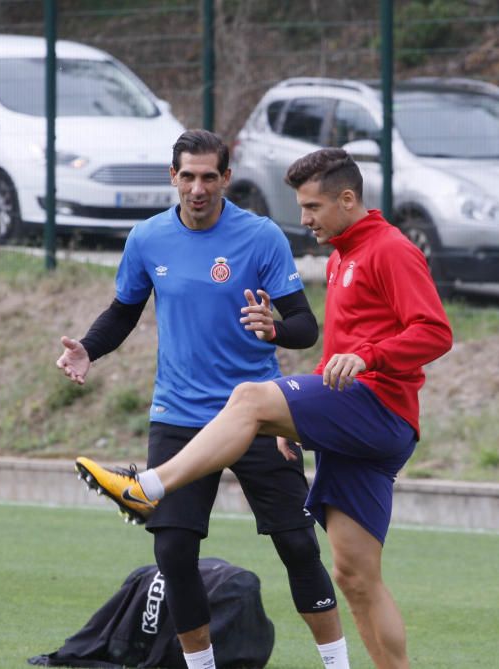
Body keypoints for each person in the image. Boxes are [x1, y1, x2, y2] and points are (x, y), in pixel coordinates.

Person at [75, 148, 453, 669]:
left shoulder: (389, 249)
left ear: (348, 199)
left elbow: (434, 332)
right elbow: (339, 350)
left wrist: (362, 359)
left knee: (249, 398)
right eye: (302, 207)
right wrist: (298, 419)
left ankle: (148, 487)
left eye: (313, 207)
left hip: (378, 408)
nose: (304, 219)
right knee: (356, 576)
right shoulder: (345, 253)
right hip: (344, 416)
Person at [62, 130, 352, 669]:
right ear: (173, 178)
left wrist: (274, 329)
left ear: (226, 178)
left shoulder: (260, 237)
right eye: (187, 176)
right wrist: (88, 349)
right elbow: (124, 311)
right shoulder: (147, 239)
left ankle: (338, 665)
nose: (198, 188)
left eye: (208, 177)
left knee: (297, 544)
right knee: (173, 552)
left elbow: (305, 327)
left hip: (258, 413)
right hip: (179, 415)